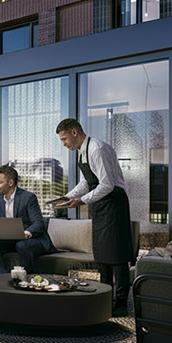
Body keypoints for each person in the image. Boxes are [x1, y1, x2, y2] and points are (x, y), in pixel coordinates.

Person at [54, 118, 134, 317]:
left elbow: (107, 185)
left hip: (114, 203)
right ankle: (106, 297)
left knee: (117, 256)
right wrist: (68, 196)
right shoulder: (82, 151)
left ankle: (121, 304)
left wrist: (82, 201)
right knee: (103, 255)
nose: (63, 144)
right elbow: (86, 182)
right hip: (100, 204)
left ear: (74, 132)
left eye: (64, 139)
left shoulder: (96, 149)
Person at [0, 165, 54, 274]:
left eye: (0, 182)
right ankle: (4, 277)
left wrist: (26, 233)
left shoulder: (28, 197)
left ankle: (27, 279)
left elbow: (38, 223)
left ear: (10, 183)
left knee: (21, 245)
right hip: (10, 240)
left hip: (33, 240)